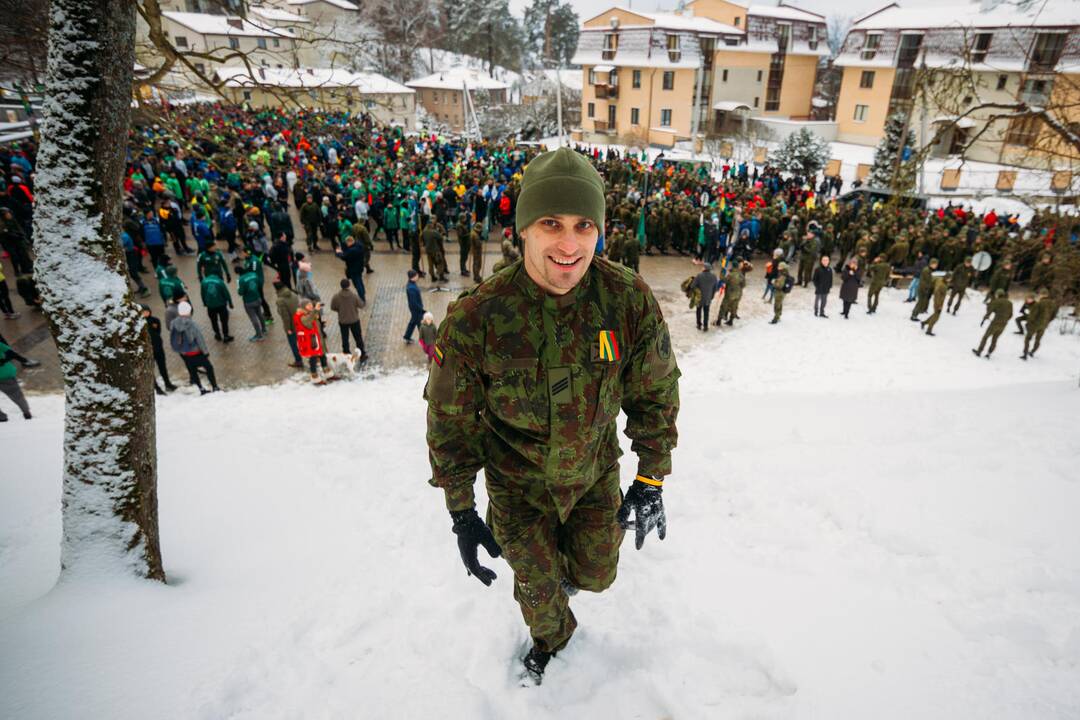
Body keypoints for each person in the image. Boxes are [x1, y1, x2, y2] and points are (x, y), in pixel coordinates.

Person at [425, 148, 680, 685]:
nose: (569, 245)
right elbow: (450, 423)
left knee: (598, 575)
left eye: (584, 225)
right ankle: (550, 637)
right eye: (551, 224)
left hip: (592, 477)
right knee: (541, 597)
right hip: (519, 490)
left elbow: (655, 391)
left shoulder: (626, 299)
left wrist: (651, 476)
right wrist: (461, 511)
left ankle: (562, 577)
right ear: (523, 230)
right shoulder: (477, 318)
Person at [169, 301, 219, 394]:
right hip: (196, 352)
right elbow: (199, 339)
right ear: (188, 311)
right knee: (209, 368)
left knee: (193, 372)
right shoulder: (192, 324)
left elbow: (174, 337)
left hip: (185, 354)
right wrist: (205, 351)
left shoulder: (173, 323)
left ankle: (201, 389)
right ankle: (215, 387)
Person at [141, 304, 177, 394]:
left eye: (147, 311)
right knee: (151, 370)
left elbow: (158, 332)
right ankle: (156, 388)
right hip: (148, 351)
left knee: (163, 367)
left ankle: (168, 384)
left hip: (158, 348)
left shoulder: (155, 320)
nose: (145, 313)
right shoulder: (140, 324)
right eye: (143, 312)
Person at [294, 298, 331, 383]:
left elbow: (314, 323)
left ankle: (327, 372)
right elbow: (307, 323)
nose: (311, 306)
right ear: (304, 307)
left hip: (316, 339)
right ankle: (314, 376)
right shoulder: (302, 316)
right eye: (308, 305)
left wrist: (321, 324)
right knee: (313, 358)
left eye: (311, 304)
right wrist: (315, 310)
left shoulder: (309, 314)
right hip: (310, 341)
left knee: (322, 355)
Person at [330, 278, 366, 358]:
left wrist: (340, 310)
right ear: (349, 285)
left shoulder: (336, 296)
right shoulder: (354, 296)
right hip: (354, 320)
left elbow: (332, 307)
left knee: (345, 338)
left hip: (343, 321)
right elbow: (361, 305)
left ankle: (346, 353)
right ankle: (362, 353)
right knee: (358, 337)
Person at [972, 289, 1012, 359]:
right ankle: (989, 353)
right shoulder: (1010, 303)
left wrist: (984, 319)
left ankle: (979, 351)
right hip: (1004, 324)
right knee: (995, 339)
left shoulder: (996, 301)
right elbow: (1010, 315)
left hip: (995, 322)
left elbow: (989, 312)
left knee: (986, 337)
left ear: (998, 294)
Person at [0, 336, 31, 421]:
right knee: (16, 395)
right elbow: (11, 354)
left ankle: (1, 417)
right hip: (5, 373)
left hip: (4, 373)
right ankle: (26, 413)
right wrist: (24, 360)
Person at [273, 278, 303, 368]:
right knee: (304, 342)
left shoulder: (280, 300)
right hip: (300, 322)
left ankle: (298, 361)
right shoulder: (293, 294)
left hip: (292, 326)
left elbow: (285, 317)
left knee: (293, 344)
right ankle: (313, 358)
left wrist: (288, 329)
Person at [1021, 289, 1057, 360]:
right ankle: (1032, 352)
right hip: (1044, 325)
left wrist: (1028, 323)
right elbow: (1053, 315)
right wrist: (1047, 321)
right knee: (1038, 339)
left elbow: (1033, 315)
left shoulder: (1039, 303)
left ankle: (1025, 354)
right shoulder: (1053, 304)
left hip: (1035, 324)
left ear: (1042, 295)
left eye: (1040, 294)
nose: (1039, 295)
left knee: (1027, 339)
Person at [200, 271, 235, 342]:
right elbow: (226, 293)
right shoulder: (220, 282)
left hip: (210, 306)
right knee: (224, 321)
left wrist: (204, 303)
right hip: (221, 305)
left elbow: (202, 294)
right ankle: (225, 336)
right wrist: (230, 303)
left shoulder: (203, 282)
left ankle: (217, 334)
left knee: (213, 321)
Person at [235, 263, 266, 341]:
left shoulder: (241, 280)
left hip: (249, 301)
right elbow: (259, 284)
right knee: (260, 314)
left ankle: (259, 335)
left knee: (253, 318)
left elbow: (240, 292)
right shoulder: (254, 274)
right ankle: (264, 329)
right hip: (257, 298)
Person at [336, 235, 368, 305]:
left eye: (347, 243)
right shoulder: (359, 245)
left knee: (357, 284)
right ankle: (363, 294)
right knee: (360, 281)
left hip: (353, 269)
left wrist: (338, 253)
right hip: (359, 267)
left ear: (350, 242)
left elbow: (344, 257)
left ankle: (362, 298)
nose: (347, 245)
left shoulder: (352, 250)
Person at [716, 260, 748, 326]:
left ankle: (719, 321)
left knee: (724, 307)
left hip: (729, 294)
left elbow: (723, 279)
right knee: (734, 307)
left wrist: (722, 271)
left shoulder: (730, 275)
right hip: (738, 294)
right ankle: (731, 321)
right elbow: (744, 285)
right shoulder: (741, 275)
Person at [403, 269, 424, 344]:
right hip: (416, 309)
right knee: (419, 323)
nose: (418, 276)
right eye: (417, 275)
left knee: (414, 322)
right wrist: (421, 309)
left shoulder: (412, 284)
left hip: (415, 309)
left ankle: (407, 336)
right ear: (413, 277)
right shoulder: (411, 288)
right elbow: (414, 302)